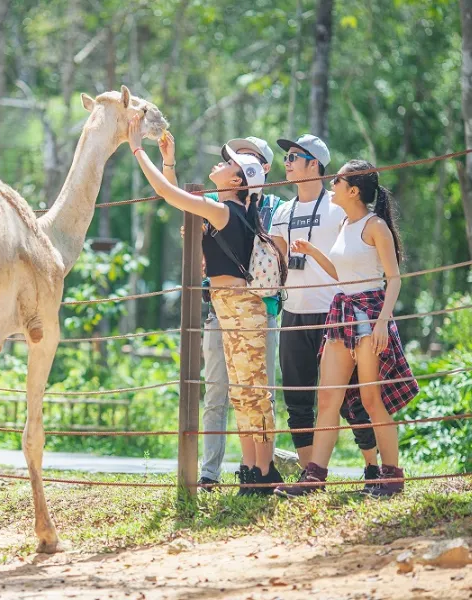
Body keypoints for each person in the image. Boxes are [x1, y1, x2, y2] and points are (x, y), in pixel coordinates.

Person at [129, 116, 287, 495]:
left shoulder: (225, 211)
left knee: (253, 391)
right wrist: (169, 161)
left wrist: (137, 149)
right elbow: (175, 194)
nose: (221, 161)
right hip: (228, 305)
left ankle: (264, 471)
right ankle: (252, 470)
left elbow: (169, 195)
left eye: (229, 162)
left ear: (237, 181)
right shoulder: (227, 207)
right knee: (241, 391)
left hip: (240, 306)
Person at [275, 160, 418, 498]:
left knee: (371, 398)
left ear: (353, 190)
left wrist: (383, 321)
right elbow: (340, 274)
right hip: (342, 313)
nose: (332, 183)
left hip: (369, 314)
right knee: (328, 397)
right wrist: (312, 252)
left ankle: (392, 477)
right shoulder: (343, 224)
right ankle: (314, 477)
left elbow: (393, 278)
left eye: (337, 179)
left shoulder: (375, 226)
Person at [268, 135, 380, 487]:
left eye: (293, 157)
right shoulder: (282, 211)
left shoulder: (338, 205)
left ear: (314, 164)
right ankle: (310, 475)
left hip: (335, 312)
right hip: (294, 312)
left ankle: (373, 467)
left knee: (353, 399)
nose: (286, 162)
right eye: (285, 157)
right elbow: (276, 261)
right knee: (297, 398)